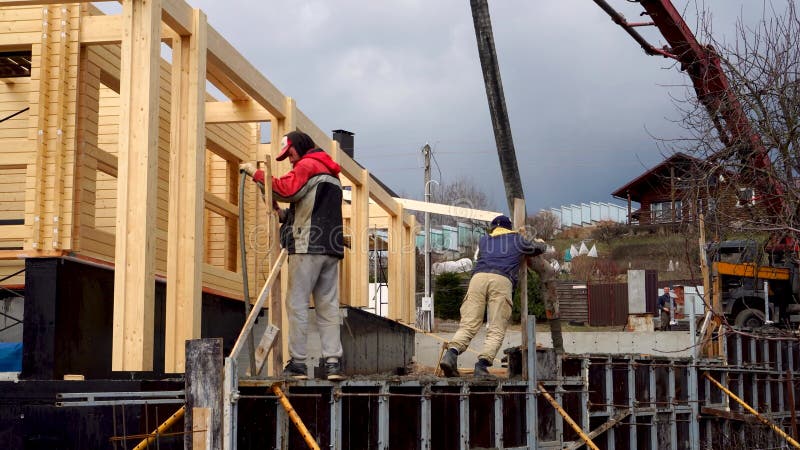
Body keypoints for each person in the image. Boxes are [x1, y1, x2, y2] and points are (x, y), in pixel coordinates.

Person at [242, 131, 345, 380]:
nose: (289, 160)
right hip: (331, 249)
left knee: (297, 303)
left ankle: (298, 364)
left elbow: (286, 189)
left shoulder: (307, 165)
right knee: (328, 305)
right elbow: (307, 208)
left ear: (298, 146)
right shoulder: (331, 175)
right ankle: (333, 363)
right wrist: (283, 215)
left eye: (289, 153)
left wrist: (255, 173)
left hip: (307, 246)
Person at [439, 215, 546, 379]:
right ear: (509, 228)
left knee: (468, 324)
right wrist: (540, 242)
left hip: (478, 279)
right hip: (501, 279)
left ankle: (451, 355)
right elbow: (537, 248)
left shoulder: (484, 240)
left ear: (493, 228)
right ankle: (481, 366)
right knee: (496, 328)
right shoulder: (517, 239)